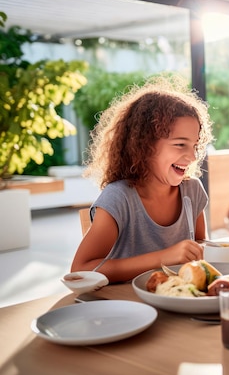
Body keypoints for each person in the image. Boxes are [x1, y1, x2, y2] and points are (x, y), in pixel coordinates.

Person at [71, 75, 213, 283]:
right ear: (144, 146)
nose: (192, 157)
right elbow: (80, 270)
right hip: (128, 305)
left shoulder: (192, 191)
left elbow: (200, 247)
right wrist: (163, 258)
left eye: (195, 146)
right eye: (180, 144)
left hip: (178, 301)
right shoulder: (119, 198)